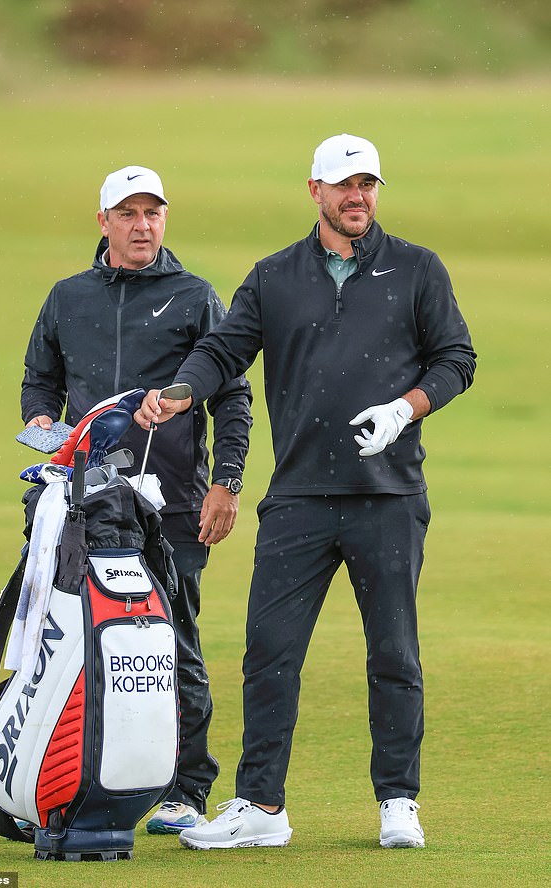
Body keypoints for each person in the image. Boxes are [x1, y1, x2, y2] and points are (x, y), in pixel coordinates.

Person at [135, 135, 476, 850]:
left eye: (368, 184)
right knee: (270, 652)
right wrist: (182, 391)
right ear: (316, 190)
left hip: (389, 495)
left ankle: (398, 801)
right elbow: (223, 350)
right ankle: (261, 806)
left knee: (394, 653)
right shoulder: (274, 277)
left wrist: (405, 408)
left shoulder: (416, 269)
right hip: (298, 497)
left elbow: (456, 358)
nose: (359, 197)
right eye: (345, 185)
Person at [21, 165, 253, 834]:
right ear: (104, 223)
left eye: (152, 212)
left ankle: (187, 787)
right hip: (85, 503)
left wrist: (226, 483)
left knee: (171, 640)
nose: (142, 225)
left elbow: (232, 396)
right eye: (128, 213)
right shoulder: (68, 297)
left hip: (171, 505)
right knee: (74, 642)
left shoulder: (194, 297)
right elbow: (40, 379)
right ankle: (74, 778)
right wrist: (41, 419)